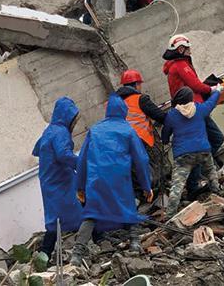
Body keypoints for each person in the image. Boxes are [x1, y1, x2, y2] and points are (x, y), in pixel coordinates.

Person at [70, 94, 153, 265]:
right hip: (119, 179)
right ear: (124, 111)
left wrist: (80, 186)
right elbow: (141, 160)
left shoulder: (94, 130)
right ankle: (135, 243)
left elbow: (82, 160)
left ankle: (76, 255)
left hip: (97, 180)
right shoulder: (128, 130)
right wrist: (146, 185)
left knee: (92, 213)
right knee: (128, 208)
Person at [162, 34, 224, 194]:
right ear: (180, 49)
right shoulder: (180, 65)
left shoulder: (174, 65)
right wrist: (213, 90)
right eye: (187, 48)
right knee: (216, 138)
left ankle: (194, 182)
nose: (190, 51)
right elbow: (195, 84)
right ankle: (197, 178)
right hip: (193, 110)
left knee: (203, 144)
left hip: (187, 111)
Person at [32, 97, 83, 261]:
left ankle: (45, 254)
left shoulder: (50, 130)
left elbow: (38, 149)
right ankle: (97, 239)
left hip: (50, 179)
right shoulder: (61, 133)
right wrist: (82, 164)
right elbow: (63, 154)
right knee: (82, 206)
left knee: (55, 218)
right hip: (61, 180)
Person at [162, 86, 223, 217]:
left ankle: (170, 215)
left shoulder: (171, 115)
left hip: (183, 156)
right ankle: (218, 196)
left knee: (177, 187)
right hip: (203, 151)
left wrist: (166, 140)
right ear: (190, 99)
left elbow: (165, 136)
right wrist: (218, 91)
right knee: (211, 173)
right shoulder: (199, 109)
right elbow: (211, 103)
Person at [116, 69, 166, 149]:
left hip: (126, 146)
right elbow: (160, 116)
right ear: (136, 84)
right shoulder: (140, 99)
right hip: (143, 143)